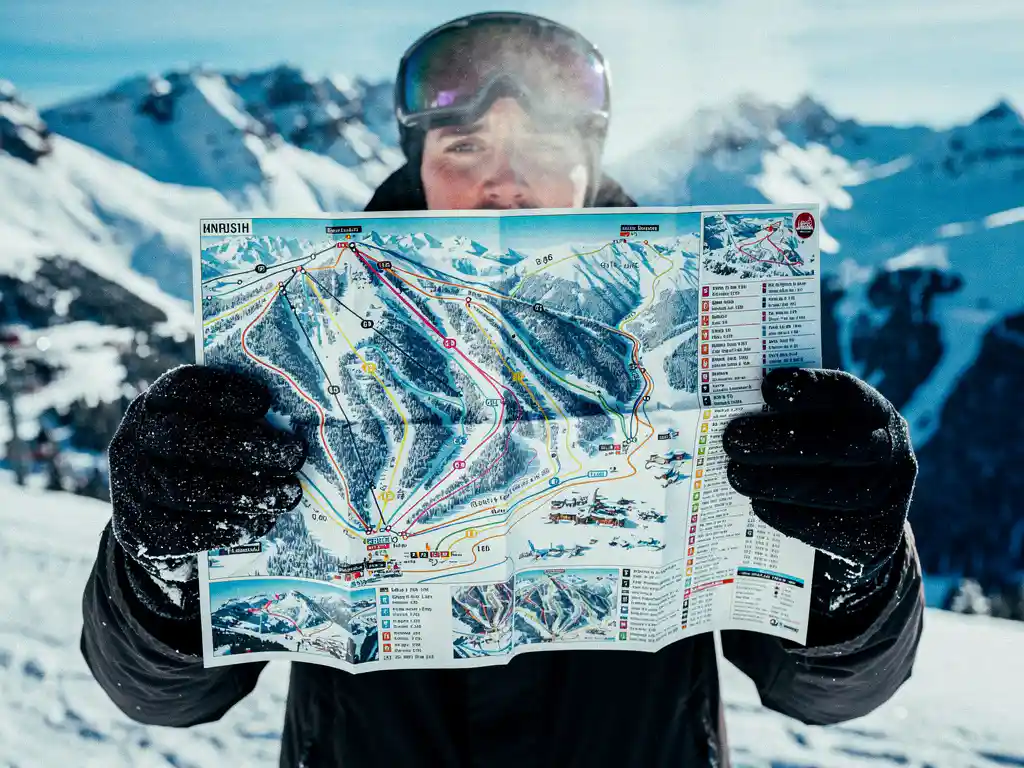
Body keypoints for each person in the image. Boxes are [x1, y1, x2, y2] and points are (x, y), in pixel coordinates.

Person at [81, 12, 924, 768]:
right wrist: (161, 562)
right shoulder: (304, 334)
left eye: (545, 151)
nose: (504, 185)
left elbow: (826, 694)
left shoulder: (702, 337)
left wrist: (857, 567)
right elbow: (163, 697)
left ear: (593, 170)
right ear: (417, 168)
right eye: (465, 148)